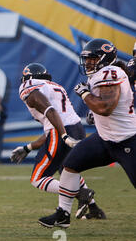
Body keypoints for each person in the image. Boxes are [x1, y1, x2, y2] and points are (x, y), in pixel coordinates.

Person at [39, 38, 136, 228]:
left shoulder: (111, 72)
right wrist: (93, 112)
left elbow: (106, 107)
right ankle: (62, 215)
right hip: (105, 139)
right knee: (70, 165)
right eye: (87, 60)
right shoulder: (101, 74)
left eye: (92, 59)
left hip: (127, 141)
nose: (89, 63)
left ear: (104, 59)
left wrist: (85, 94)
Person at [11, 63, 105, 220]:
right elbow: (52, 126)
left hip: (61, 131)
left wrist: (63, 135)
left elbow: (50, 112)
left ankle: (80, 193)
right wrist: (28, 148)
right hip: (76, 128)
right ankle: (95, 209)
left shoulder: (29, 86)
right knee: (68, 170)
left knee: (38, 178)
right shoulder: (55, 87)